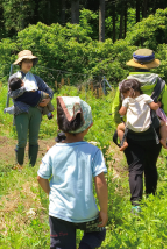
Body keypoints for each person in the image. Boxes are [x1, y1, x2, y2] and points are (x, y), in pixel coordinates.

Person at [38, 96, 108, 249]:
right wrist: (103, 211)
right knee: (98, 231)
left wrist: (50, 193)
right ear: (88, 125)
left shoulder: (53, 151)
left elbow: (41, 178)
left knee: (61, 246)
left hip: (59, 213)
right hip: (87, 213)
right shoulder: (93, 152)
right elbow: (100, 182)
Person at [113, 49, 167, 213]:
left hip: (131, 133)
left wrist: (119, 128)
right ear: (151, 65)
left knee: (135, 168)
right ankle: (151, 198)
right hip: (154, 133)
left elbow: (117, 109)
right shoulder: (160, 83)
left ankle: (136, 203)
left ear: (135, 65)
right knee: (151, 166)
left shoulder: (124, 84)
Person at [7, 50, 54, 168]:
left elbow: (49, 91)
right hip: (21, 111)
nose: (29, 64)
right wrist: (25, 89)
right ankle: (19, 165)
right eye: (26, 61)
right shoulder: (14, 78)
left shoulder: (36, 79)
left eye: (31, 61)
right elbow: (11, 94)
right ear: (20, 63)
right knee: (22, 140)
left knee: (34, 140)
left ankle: (32, 166)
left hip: (36, 111)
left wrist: (48, 100)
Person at [116, 79, 155, 152]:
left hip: (131, 127)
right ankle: (164, 140)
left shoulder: (127, 100)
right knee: (164, 123)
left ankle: (123, 142)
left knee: (120, 127)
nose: (124, 96)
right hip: (146, 126)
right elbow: (154, 106)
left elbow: (122, 112)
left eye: (124, 94)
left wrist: (121, 108)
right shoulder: (145, 97)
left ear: (129, 92)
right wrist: (158, 104)